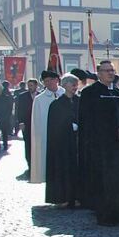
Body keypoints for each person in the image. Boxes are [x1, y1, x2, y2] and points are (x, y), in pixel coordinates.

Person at [78, 60, 119, 226]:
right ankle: (104, 213)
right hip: (99, 145)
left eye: (112, 70)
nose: (110, 73)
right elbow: (86, 120)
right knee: (102, 180)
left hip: (118, 145)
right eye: (106, 70)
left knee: (118, 178)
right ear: (99, 73)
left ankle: (116, 211)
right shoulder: (90, 93)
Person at [45, 74, 82, 208]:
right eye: (72, 85)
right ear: (65, 85)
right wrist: (68, 126)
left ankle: (78, 197)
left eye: (76, 85)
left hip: (77, 142)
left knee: (78, 170)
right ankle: (63, 197)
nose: (75, 88)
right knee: (63, 169)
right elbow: (54, 125)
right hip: (63, 144)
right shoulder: (57, 104)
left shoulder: (80, 101)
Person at [29, 71, 65, 185]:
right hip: (48, 136)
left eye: (50, 80)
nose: (48, 83)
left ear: (56, 80)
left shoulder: (65, 94)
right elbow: (37, 122)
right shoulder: (39, 99)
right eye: (45, 81)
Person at [15, 79, 38, 167]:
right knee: (28, 144)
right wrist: (20, 122)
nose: (30, 87)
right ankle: (29, 164)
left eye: (31, 85)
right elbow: (19, 110)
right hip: (26, 124)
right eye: (29, 86)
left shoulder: (41, 96)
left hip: (37, 124)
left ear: (36, 86)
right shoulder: (22, 96)